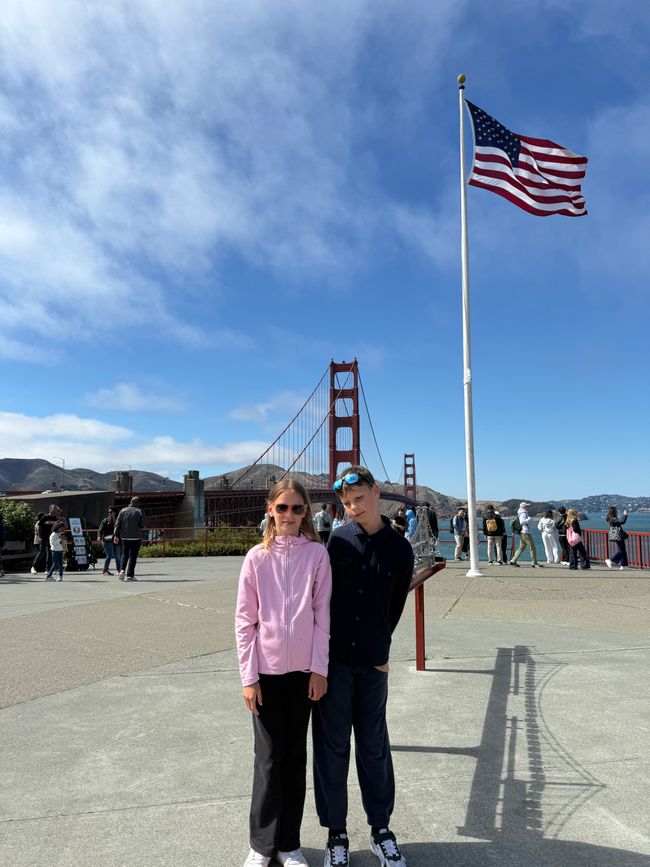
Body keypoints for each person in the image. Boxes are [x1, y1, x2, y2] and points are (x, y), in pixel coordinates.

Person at [312, 466, 414, 867]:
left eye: (360, 499)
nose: (354, 507)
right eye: (347, 502)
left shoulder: (400, 549)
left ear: (376, 493)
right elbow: (322, 601)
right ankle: (336, 834)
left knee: (374, 747)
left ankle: (381, 830)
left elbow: (395, 606)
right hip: (334, 662)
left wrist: (382, 650)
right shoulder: (336, 541)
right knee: (332, 748)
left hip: (373, 664)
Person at [235, 480, 332, 867]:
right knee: (269, 759)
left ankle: (289, 845)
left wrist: (319, 669)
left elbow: (323, 616)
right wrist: (249, 677)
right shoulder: (256, 558)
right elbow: (245, 622)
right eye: (282, 508)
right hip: (267, 674)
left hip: (303, 674)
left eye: (297, 508)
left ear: (306, 512)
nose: (289, 515)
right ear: (270, 509)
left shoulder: (317, 555)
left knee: (295, 758)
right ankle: (261, 846)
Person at [114, 497, 146, 581]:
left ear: (130, 502)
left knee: (124, 554)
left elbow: (117, 524)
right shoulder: (139, 511)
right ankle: (130, 575)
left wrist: (116, 535)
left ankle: (122, 570)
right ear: (138, 503)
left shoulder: (122, 510)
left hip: (124, 537)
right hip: (136, 537)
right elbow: (143, 524)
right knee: (133, 556)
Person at [32, 505, 64, 575]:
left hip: (51, 538)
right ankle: (34, 567)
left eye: (56, 509)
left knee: (50, 553)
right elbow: (40, 527)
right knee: (42, 551)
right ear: (50, 509)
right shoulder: (45, 517)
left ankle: (48, 569)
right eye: (54, 509)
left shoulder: (56, 518)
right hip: (44, 537)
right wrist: (40, 537)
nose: (55, 511)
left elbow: (59, 528)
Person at [510, 502, 542, 567]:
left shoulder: (520, 513)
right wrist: (528, 519)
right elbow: (522, 522)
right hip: (525, 532)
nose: (528, 507)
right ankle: (534, 562)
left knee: (522, 547)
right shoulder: (523, 513)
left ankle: (513, 560)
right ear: (524, 507)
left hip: (522, 532)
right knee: (532, 547)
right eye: (527, 506)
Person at [97, 507, 121, 576]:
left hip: (117, 540)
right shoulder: (105, 520)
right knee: (110, 554)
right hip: (107, 540)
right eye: (108, 512)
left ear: (115, 513)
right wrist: (99, 536)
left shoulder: (119, 520)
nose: (109, 513)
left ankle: (119, 570)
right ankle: (105, 571)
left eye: (110, 512)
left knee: (117, 556)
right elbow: (100, 530)